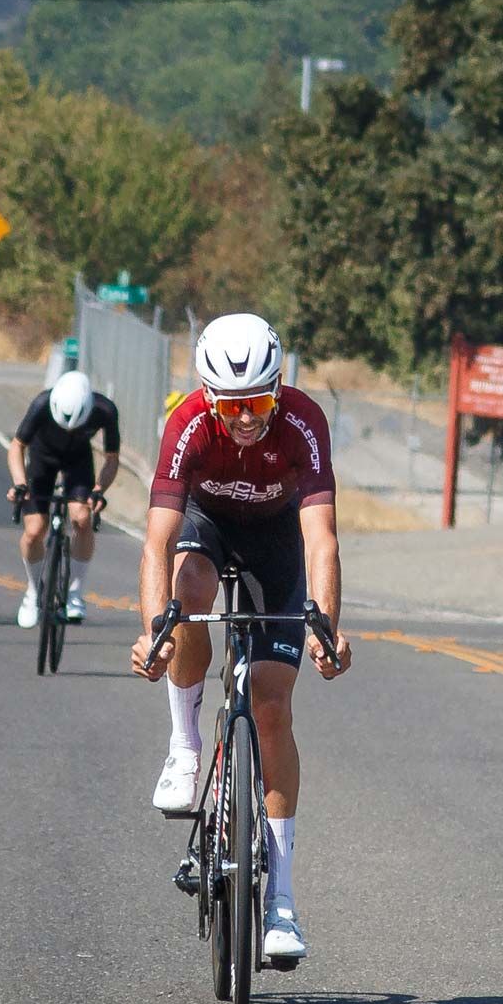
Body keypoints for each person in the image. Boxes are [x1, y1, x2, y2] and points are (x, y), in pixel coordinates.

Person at [131, 313, 352, 963]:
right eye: (233, 405)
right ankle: (184, 743)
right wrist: (156, 634)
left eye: (259, 401)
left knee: (273, 705)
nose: (248, 417)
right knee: (190, 590)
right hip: (209, 525)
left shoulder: (305, 422)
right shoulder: (189, 424)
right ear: (207, 396)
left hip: (277, 537)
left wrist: (326, 630)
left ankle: (280, 897)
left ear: (278, 388)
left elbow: (322, 539)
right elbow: (156, 541)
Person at [7, 369, 120, 627]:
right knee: (35, 529)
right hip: (42, 459)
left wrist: (99, 489)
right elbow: (17, 446)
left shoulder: (105, 410)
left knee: (82, 518)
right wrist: (20, 483)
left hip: (77, 462)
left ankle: (75, 594)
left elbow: (112, 458)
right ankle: (33, 591)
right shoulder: (41, 404)